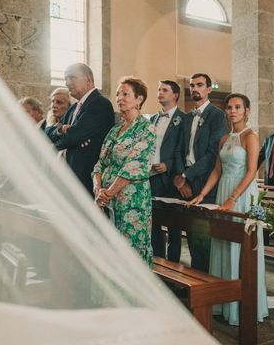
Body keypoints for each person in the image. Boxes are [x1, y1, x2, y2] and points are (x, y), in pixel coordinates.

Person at [188, 93, 268, 325]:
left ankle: (243, 304)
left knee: (240, 248)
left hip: (242, 194)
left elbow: (252, 170)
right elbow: (216, 171)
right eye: (229, 107)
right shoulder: (224, 139)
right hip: (224, 189)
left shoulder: (250, 136)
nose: (233, 111)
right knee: (222, 243)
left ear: (247, 110)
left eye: (238, 107)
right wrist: (201, 195)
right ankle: (224, 303)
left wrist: (233, 198)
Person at [93, 76, 156, 266]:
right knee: (107, 251)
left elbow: (134, 166)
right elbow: (100, 164)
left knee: (129, 251)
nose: (120, 98)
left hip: (132, 201)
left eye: (126, 94)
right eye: (118, 94)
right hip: (106, 199)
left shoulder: (146, 128)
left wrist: (108, 193)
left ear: (139, 99)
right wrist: (98, 188)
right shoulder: (114, 130)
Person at [174, 73, 227, 271]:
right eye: (192, 85)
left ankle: (206, 283)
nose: (195, 89)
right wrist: (180, 178)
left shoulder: (217, 115)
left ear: (209, 89)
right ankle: (196, 281)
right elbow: (180, 149)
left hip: (206, 181)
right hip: (186, 180)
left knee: (204, 236)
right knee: (192, 235)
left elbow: (213, 153)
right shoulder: (187, 117)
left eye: (199, 85)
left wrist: (187, 176)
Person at [47, 63, 115, 195]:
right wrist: (61, 131)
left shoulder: (99, 103)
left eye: (72, 77)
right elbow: (48, 134)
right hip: (68, 176)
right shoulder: (73, 108)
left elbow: (74, 136)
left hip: (86, 177)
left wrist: (61, 141)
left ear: (88, 79)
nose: (67, 83)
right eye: (65, 79)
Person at [149, 80, 185, 262]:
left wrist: (168, 165)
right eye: (158, 89)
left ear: (175, 95)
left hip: (171, 179)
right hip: (152, 178)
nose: (160, 93)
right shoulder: (153, 118)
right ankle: (158, 262)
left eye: (164, 90)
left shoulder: (183, 119)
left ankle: (174, 265)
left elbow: (184, 148)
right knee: (154, 223)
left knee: (173, 226)